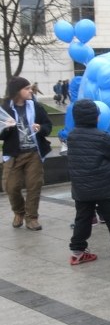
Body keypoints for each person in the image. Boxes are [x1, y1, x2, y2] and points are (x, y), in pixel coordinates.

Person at [66, 99, 110, 264]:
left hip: (81, 188)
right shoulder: (102, 136)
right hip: (104, 186)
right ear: (96, 117)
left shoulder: (72, 136)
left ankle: (77, 252)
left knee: (82, 219)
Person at [1, 76, 52, 230]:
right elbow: (1, 135)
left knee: (34, 186)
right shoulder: (5, 109)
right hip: (14, 154)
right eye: (27, 88)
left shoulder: (36, 107)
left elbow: (48, 126)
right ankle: (19, 212)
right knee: (11, 187)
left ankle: (32, 218)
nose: (31, 90)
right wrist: (7, 128)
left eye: (30, 88)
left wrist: (40, 128)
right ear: (17, 91)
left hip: (33, 153)